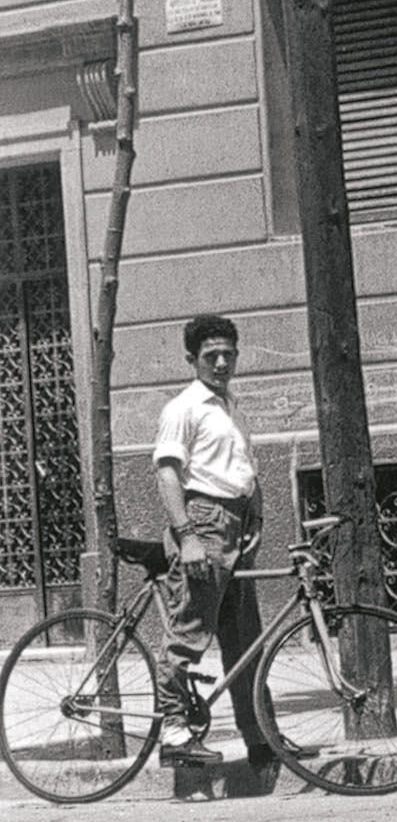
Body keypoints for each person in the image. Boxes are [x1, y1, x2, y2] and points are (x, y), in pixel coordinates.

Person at [151, 314, 287, 770]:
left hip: (236, 525)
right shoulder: (184, 408)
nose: (223, 362)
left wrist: (258, 514)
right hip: (204, 523)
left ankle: (261, 738)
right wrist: (187, 536)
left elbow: (245, 468)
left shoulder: (231, 405)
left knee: (246, 641)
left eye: (229, 353)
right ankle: (173, 733)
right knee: (188, 634)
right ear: (192, 359)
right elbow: (168, 473)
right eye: (212, 355)